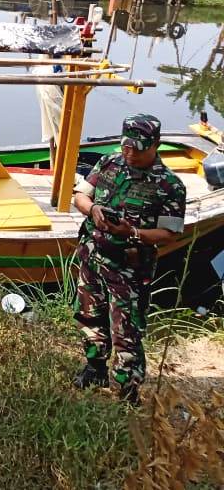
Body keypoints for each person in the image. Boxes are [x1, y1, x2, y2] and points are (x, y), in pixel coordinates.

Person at [72, 114, 185, 404]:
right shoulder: (109, 163)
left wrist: (132, 231)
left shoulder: (169, 185)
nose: (130, 153)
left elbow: (169, 233)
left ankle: (126, 389)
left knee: (126, 330)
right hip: (92, 256)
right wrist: (93, 209)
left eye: (138, 148)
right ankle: (95, 367)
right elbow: (79, 196)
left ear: (155, 145)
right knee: (89, 314)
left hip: (128, 267)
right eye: (126, 146)